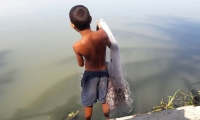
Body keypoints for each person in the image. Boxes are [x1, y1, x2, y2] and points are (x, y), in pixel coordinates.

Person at [69, 5, 111, 120]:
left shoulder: (77, 46)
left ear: (72, 25)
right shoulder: (102, 34)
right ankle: (108, 119)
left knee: (88, 103)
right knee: (104, 100)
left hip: (90, 76)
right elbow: (110, 45)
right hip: (104, 73)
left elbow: (81, 64)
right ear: (91, 19)